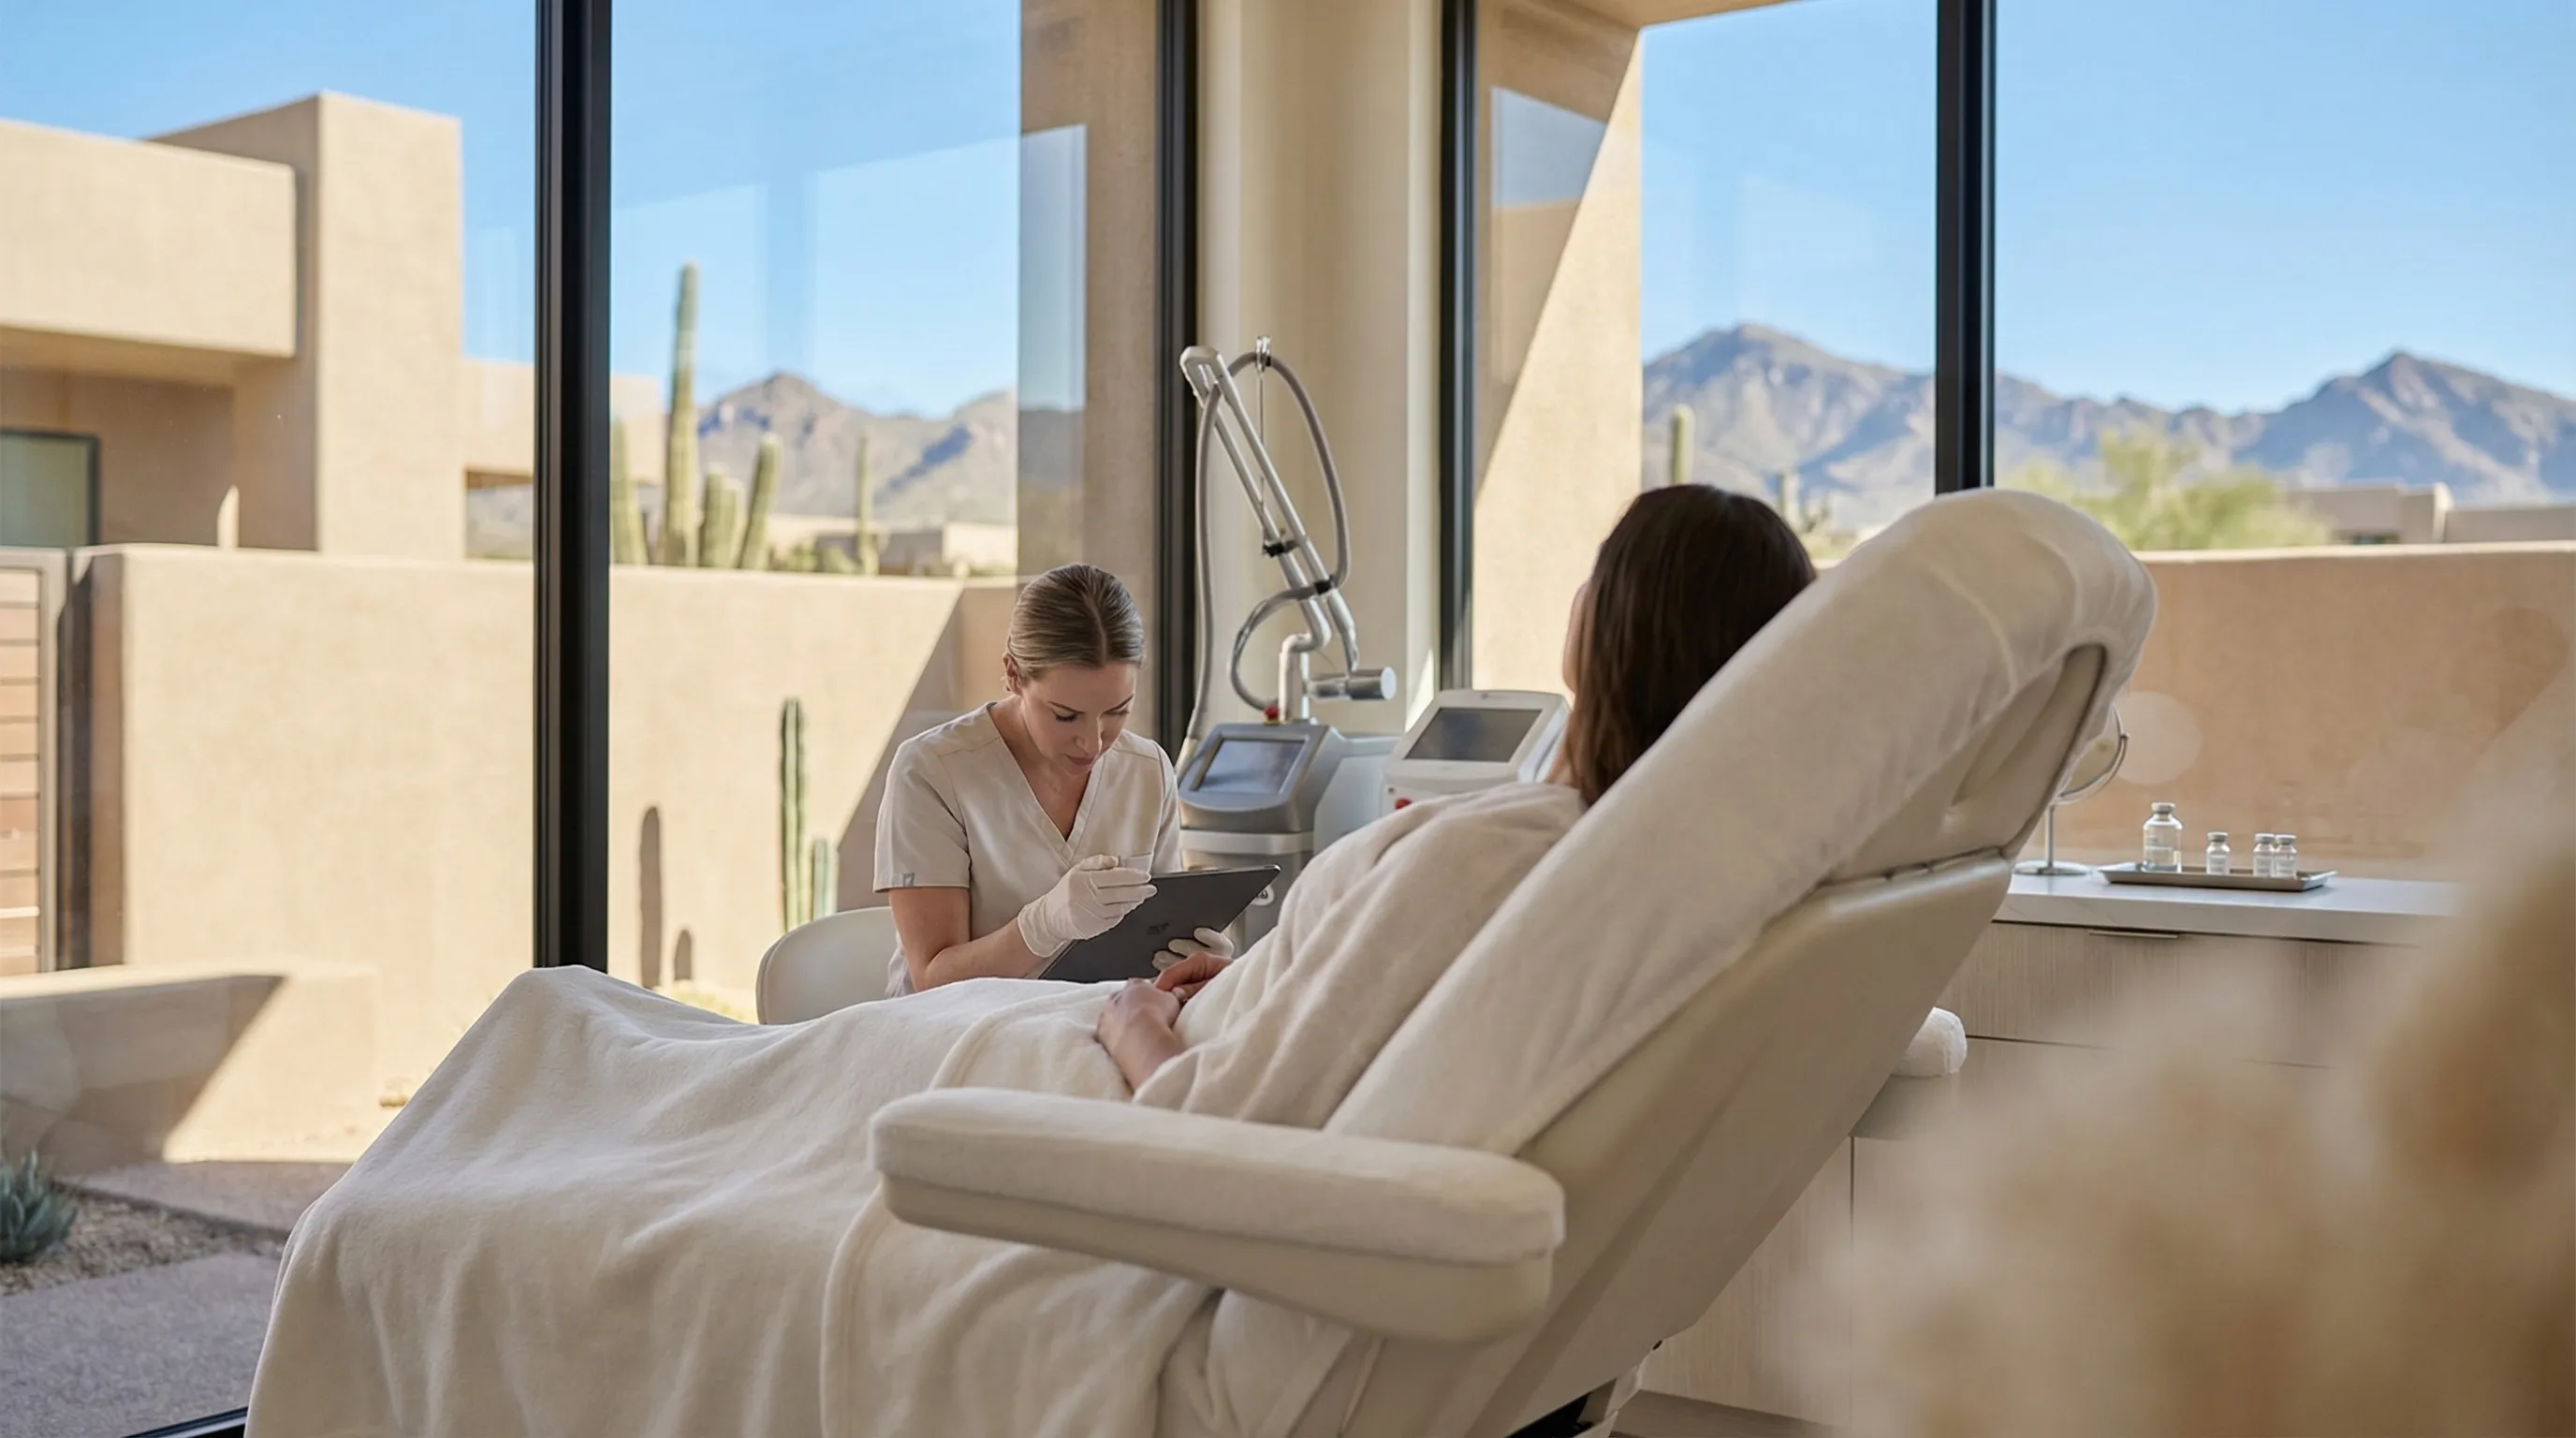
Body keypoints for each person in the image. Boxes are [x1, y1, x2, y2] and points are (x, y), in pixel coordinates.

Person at [1094, 484, 1818, 1092]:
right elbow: (1383, 1003)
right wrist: (1266, 981)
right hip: (1225, 1015)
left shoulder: (1489, 857)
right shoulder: (1655, 865)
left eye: (1595, 573)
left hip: (1132, 1073)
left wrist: (1135, 1024)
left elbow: (1211, 1122)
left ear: (1614, 624)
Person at [874, 563, 1233, 996]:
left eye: (1117, 711)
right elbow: (932, 979)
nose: (1093, 742)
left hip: (1097, 1020)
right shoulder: (933, 770)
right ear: (1013, 675)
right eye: (1066, 716)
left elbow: (1156, 938)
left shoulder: (1147, 770)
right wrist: (1041, 927)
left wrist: (1190, 960)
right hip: (962, 1023)